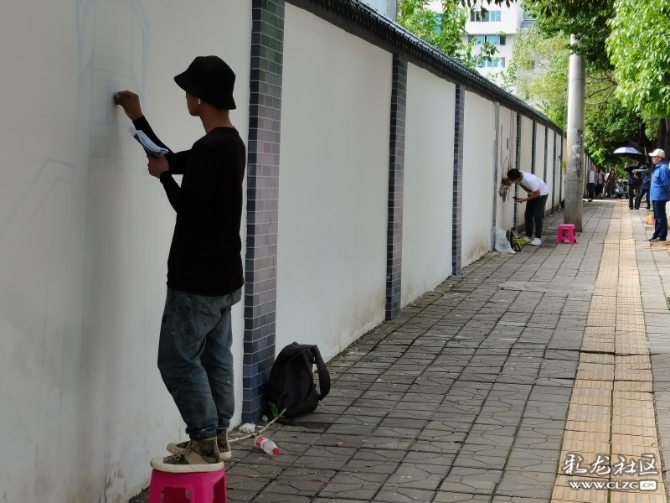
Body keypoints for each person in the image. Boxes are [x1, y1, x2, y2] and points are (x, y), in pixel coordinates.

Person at [115, 55, 246, 472]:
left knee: (175, 361)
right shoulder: (231, 143)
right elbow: (170, 157)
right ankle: (219, 435)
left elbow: (187, 207)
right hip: (224, 278)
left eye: (189, 90)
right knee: (215, 357)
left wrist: (163, 177)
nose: (186, 97)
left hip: (196, 282)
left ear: (201, 98)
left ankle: (203, 442)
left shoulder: (210, 149)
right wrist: (138, 120)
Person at [503, 169, 549, 246]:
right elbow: (509, 182)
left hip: (541, 194)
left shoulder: (530, 180)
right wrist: (506, 181)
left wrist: (524, 199)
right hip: (532, 194)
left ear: (517, 178)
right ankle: (529, 236)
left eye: (512, 180)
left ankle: (537, 238)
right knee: (528, 215)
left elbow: (537, 193)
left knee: (537, 215)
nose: (511, 181)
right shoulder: (517, 175)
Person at [647, 149, 670, 242]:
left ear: (660, 158)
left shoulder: (663, 168)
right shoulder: (657, 167)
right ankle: (656, 234)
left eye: (654, 157)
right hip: (656, 196)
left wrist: (668, 193)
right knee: (657, 217)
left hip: (660, 196)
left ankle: (662, 236)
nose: (652, 158)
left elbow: (666, 183)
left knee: (660, 217)